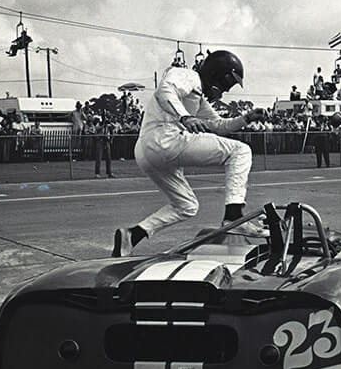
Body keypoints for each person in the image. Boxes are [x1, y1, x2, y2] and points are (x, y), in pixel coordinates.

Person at [111, 50, 267, 257]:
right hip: (165, 139)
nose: (223, 93)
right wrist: (185, 118)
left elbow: (218, 125)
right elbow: (165, 90)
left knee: (186, 206)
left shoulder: (197, 96)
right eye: (225, 86)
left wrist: (246, 118)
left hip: (147, 151)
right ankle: (234, 216)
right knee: (241, 151)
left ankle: (133, 235)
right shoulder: (187, 75)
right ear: (217, 76)